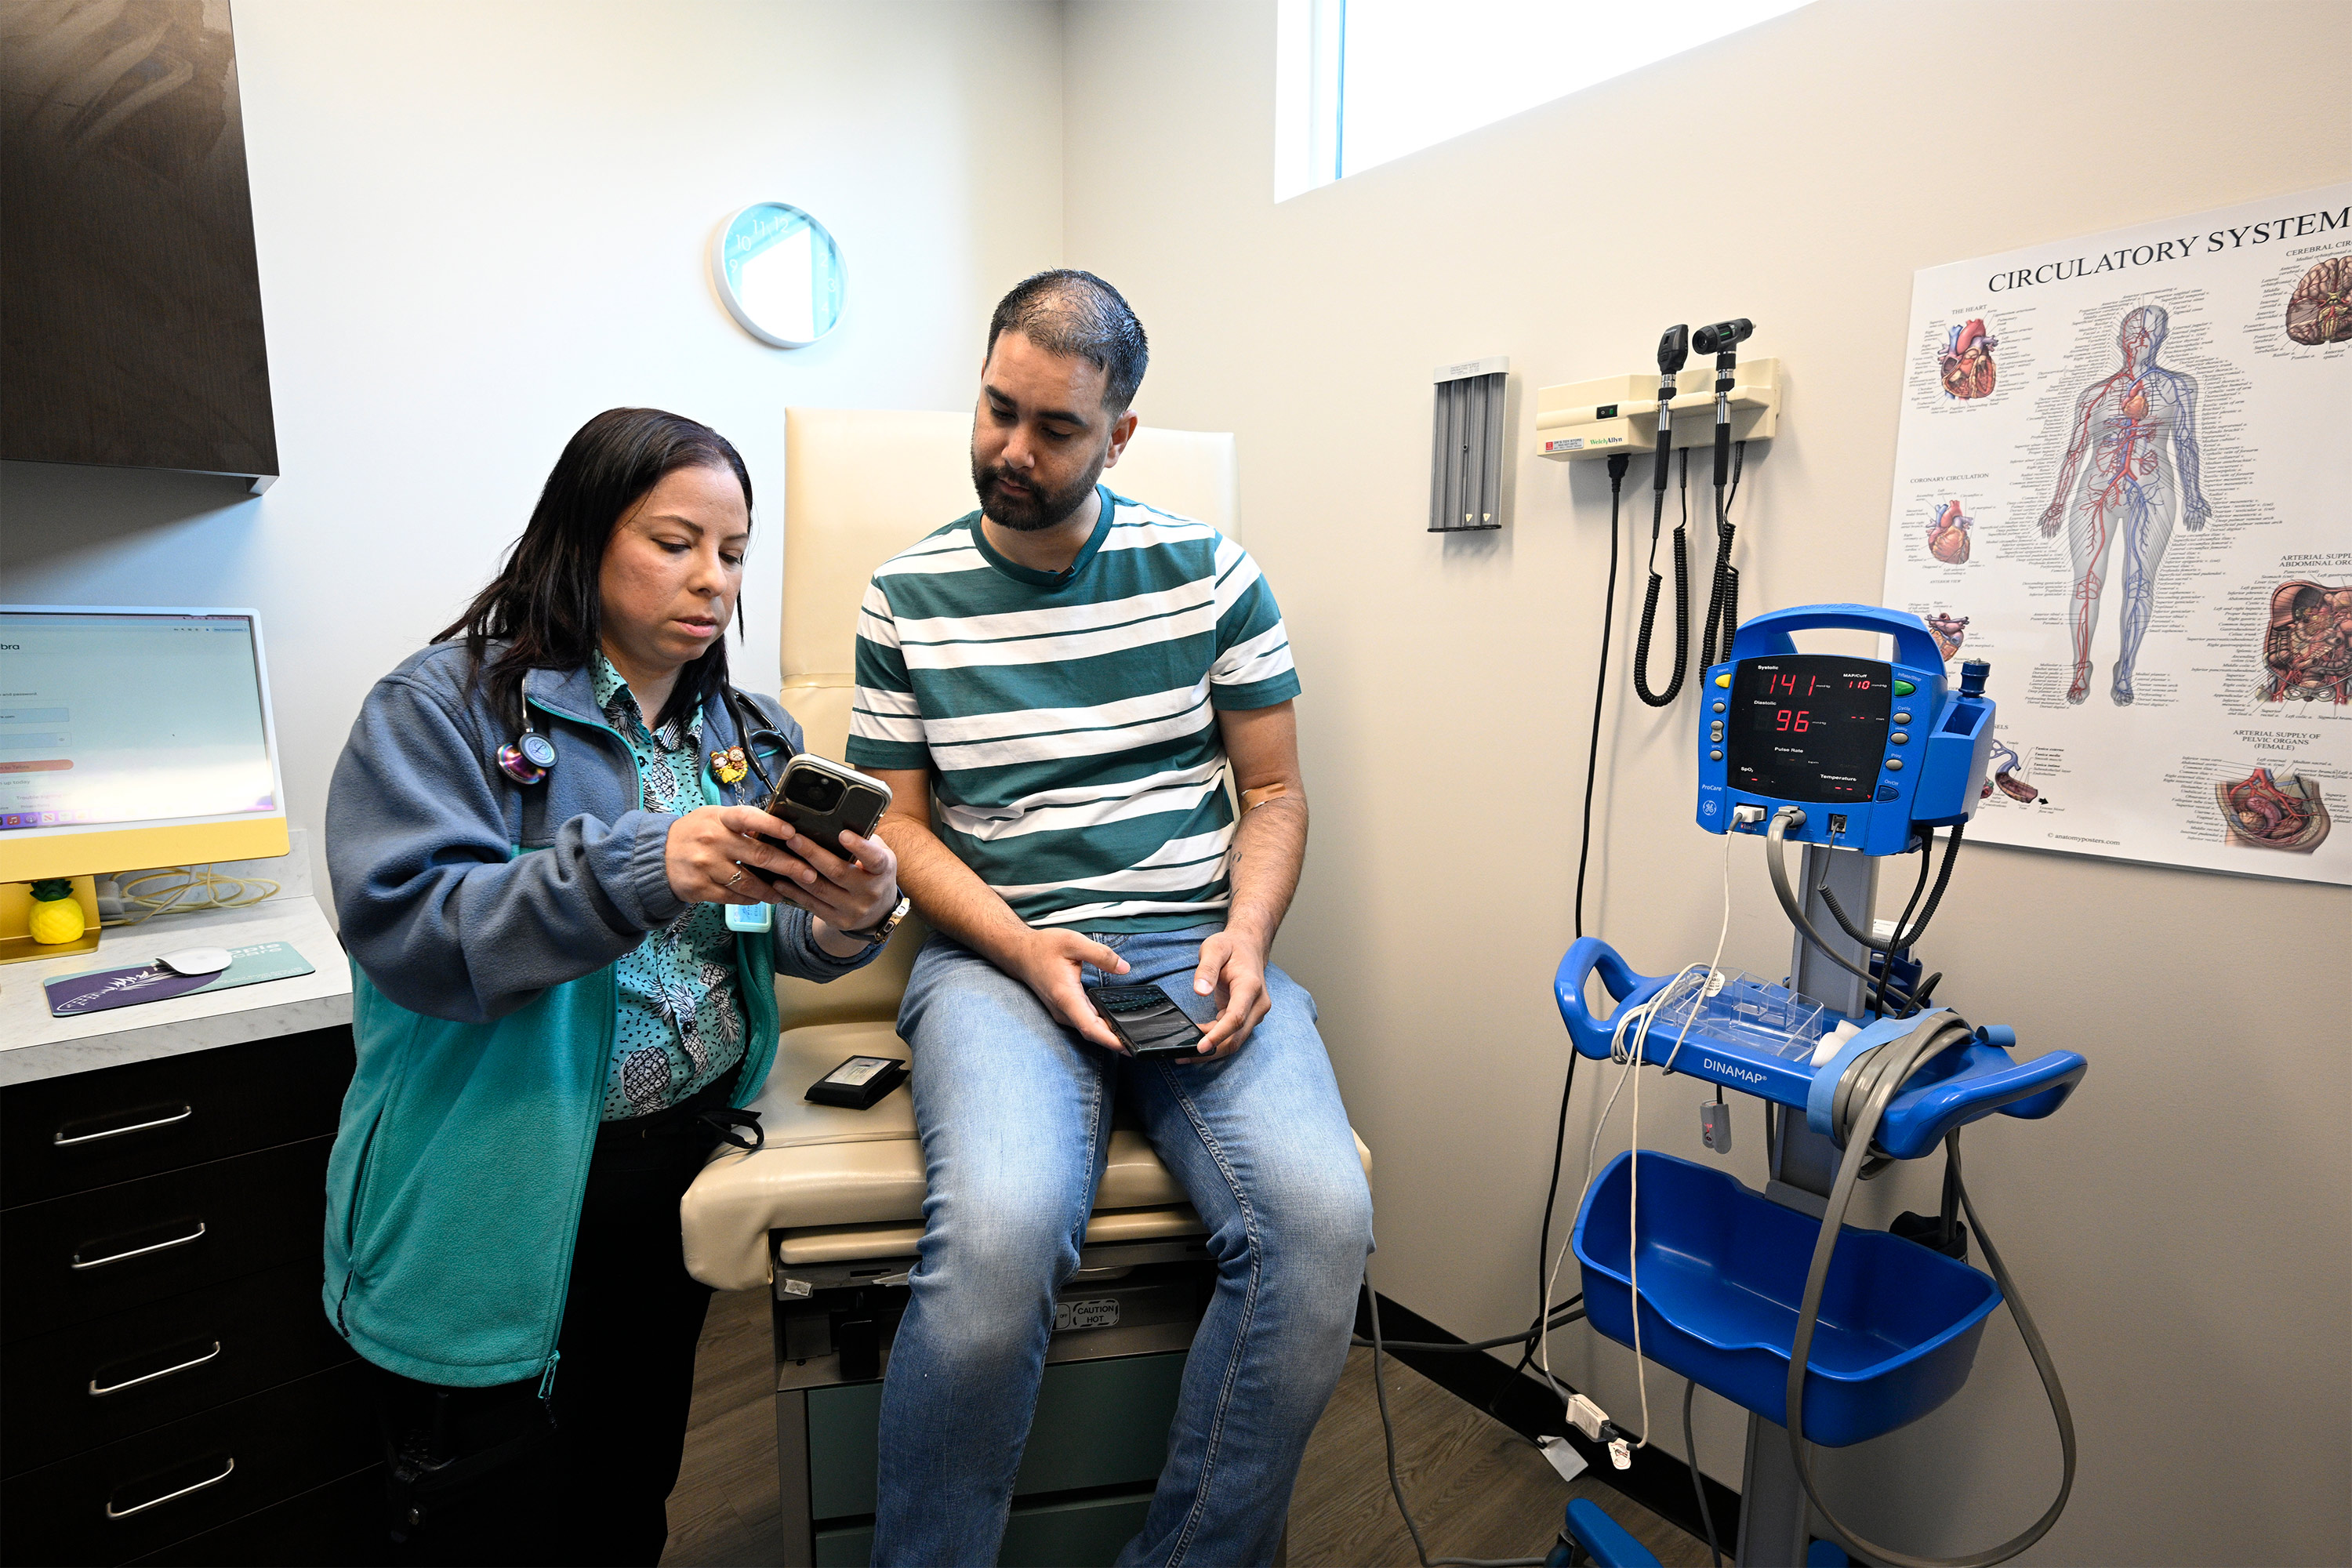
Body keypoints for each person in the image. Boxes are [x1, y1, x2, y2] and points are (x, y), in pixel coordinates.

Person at [848, 270, 1374, 1566]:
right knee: (1004, 1236)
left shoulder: (1211, 576)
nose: (1010, 451)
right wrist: (1023, 948)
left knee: (1320, 1222)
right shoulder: (902, 596)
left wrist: (1246, 937)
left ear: (1120, 434)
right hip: (994, 958)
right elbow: (902, 829)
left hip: (1189, 946)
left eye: (1055, 428)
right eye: (994, 409)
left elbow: (1274, 793)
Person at [323, 408, 909, 1566]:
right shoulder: (440, 710)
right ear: (584, 537)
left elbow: (756, 936)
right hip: (500, 1174)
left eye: (735, 553)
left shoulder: (746, 735)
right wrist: (647, 863)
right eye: (676, 541)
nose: (714, 581)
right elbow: (413, 933)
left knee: (626, 1489)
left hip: (674, 1169)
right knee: (487, 1509)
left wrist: (846, 920)